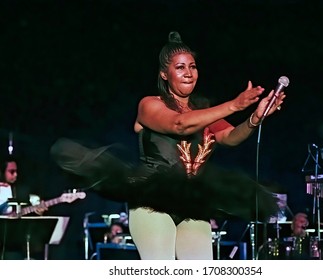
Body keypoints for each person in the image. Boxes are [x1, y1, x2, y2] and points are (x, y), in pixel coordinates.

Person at [50, 31, 286, 260]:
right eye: (180, 67)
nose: (188, 73)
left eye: (192, 66)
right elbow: (179, 125)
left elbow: (230, 137)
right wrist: (234, 105)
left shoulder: (202, 110)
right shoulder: (150, 105)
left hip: (191, 204)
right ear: (165, 74)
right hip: (153, 203)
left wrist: (255, 118)